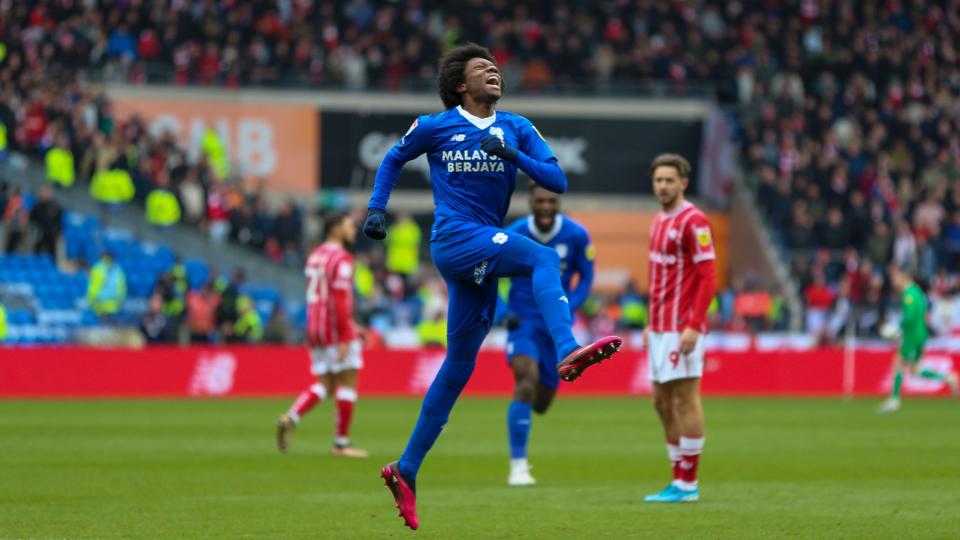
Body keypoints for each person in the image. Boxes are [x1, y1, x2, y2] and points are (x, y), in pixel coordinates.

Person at [363, 43, 621, 530]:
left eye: (497, 68)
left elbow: (557, 179)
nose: (494, 73)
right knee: (543, 256)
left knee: (459, 365)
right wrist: (377, 208)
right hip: (455, 238)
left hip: (478, 249)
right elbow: (393, 160)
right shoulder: (436, 126)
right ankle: (567, 346)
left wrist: (515, 154)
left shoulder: (518, 127)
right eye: (483, 69)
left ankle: (407, 469)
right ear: (461, 84)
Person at [501, 184, 594, 486]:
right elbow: (486, 276)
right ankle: (518, 466)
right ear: (530, 201)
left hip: (555, 328)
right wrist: (504, 312)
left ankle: (526, 424)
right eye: (539, 200)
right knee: (525, 383)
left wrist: (572, 305)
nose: (545, 206)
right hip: (523, 322)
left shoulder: (577, 235)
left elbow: (586, 276)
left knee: (541, 403)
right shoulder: (513, 234)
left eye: (551, 200)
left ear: (558, 202)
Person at [642, 154, 717, 504]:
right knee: (661, 402)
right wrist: (649, 322)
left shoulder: (694, 222)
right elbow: (659, 278)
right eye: (659, 180)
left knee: (686, 400)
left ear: (683, 183)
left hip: (681, 327)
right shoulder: (658, 219)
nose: (663, 186)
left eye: (670, 180)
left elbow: (708, 277)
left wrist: (695, 325)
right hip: (659, 327)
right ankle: (677, 478)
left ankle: (688, 484)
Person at [277, 213, 368, 458]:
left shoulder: (315, 256)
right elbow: (339, 299)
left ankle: (290, 417)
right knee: (348, 382)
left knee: (325, 385)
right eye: (349, 226)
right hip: (334, 329)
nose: (353, 230)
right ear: (335, 229)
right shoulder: (342, 259)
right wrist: (347, 334)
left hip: (315, 328)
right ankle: (341, 444)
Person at [877, 265, 959, 413]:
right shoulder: (917, 291)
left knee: (899, 363)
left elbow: (910, 315)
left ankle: (894, 400)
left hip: (913, 335)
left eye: (895, 278)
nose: (894, 281)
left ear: (903, 278)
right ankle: (948, 378)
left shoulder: (908, 293)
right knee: (913, 369)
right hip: (919, 334)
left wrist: (898, 329)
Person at [86, 252, 127, 321]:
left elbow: (93, 286)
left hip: (100, 303)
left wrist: (90, 299)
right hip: (112, 304)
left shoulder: (97, 268)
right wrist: (121, 298)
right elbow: (121, 287)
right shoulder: (118, 269)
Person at [29, 185, 63, 260]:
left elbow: (59, 222)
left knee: (52, 256)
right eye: (43, 192)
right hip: (39, 235)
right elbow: (31, 221)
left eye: (47, 192)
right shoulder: (37, 206)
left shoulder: (56, 207)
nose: (44, 194)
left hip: (51, 235)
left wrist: (58, 233)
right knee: (36, 254)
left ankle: (52, 267)